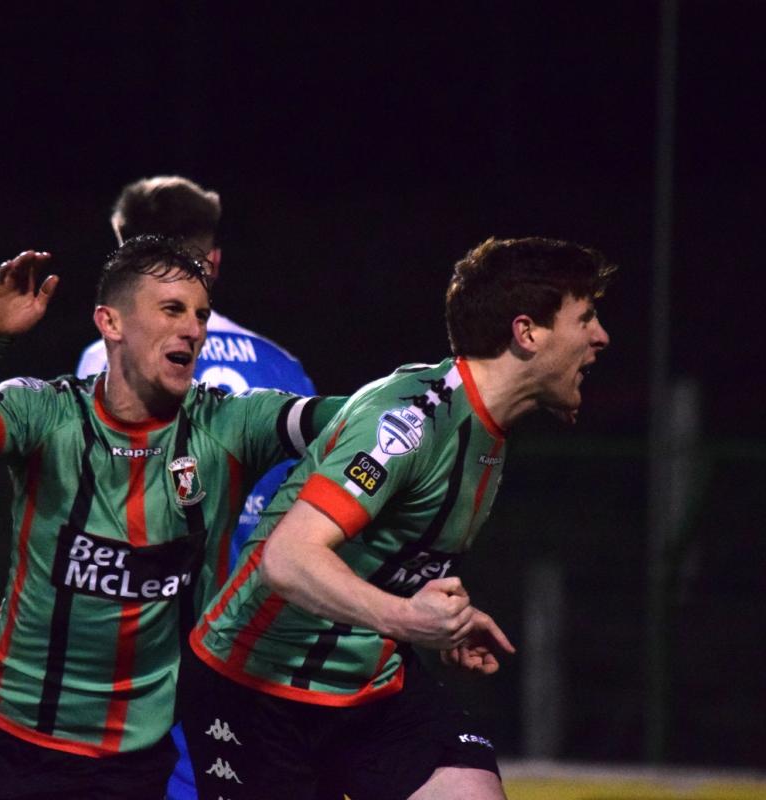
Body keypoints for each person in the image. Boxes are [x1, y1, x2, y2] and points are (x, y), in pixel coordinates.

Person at [0, 237, 339, 799]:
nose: (194, 330)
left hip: (124, 769)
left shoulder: (229, 425)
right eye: (172, 310)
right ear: (111, 322)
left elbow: (350, 417)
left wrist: (428, 393)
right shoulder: (46, 413)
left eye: (200, 314)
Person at [186, 236, 616, 800]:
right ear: (527, 332)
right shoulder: (410, 421)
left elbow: (387, 552)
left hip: (370, 683)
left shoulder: (487, 425)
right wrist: (408, 618)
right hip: (258, 690)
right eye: (585, 318)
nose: (601, 336)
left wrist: (440, 618)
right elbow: (287, 559)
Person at [79, 177, 317, 799]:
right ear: (213, 258)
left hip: (152, 636)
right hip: (265, 632)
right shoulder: (282, 365)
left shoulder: (108, 355)